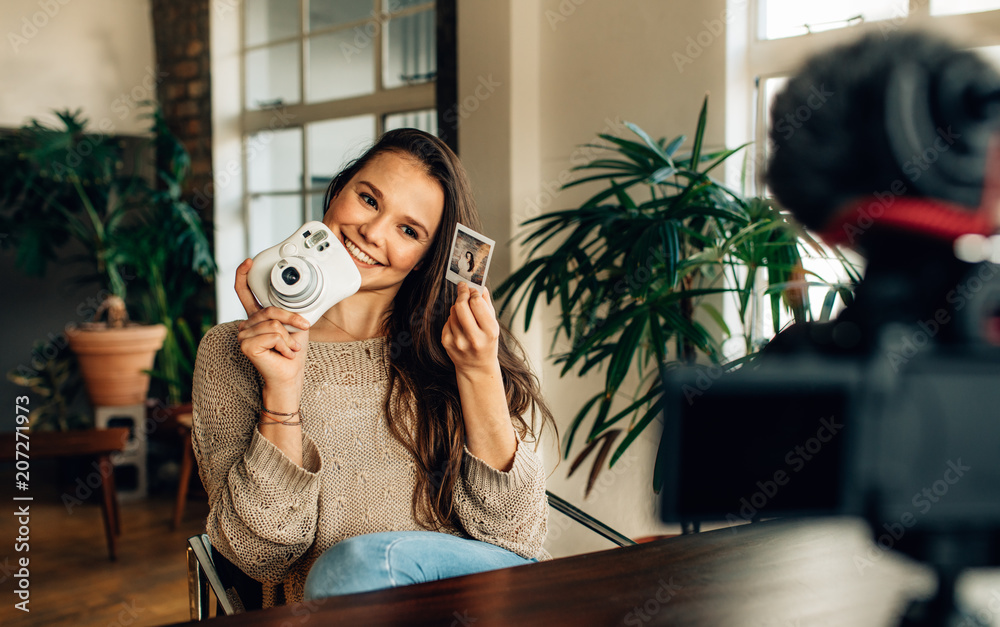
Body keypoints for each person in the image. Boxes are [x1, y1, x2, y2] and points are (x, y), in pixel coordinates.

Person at [191, 128, 556, 608]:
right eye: (368, 199)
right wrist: (281, 389)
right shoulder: (230, 353)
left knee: (363, 562)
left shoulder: (464, 348)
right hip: (335, 617)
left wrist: (478, 372)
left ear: (428, 259)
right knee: (352, 568)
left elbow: (517, 535)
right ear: (338, 190)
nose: (372, 232)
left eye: (409, 231)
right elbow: (258, 555)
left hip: (469, 606)